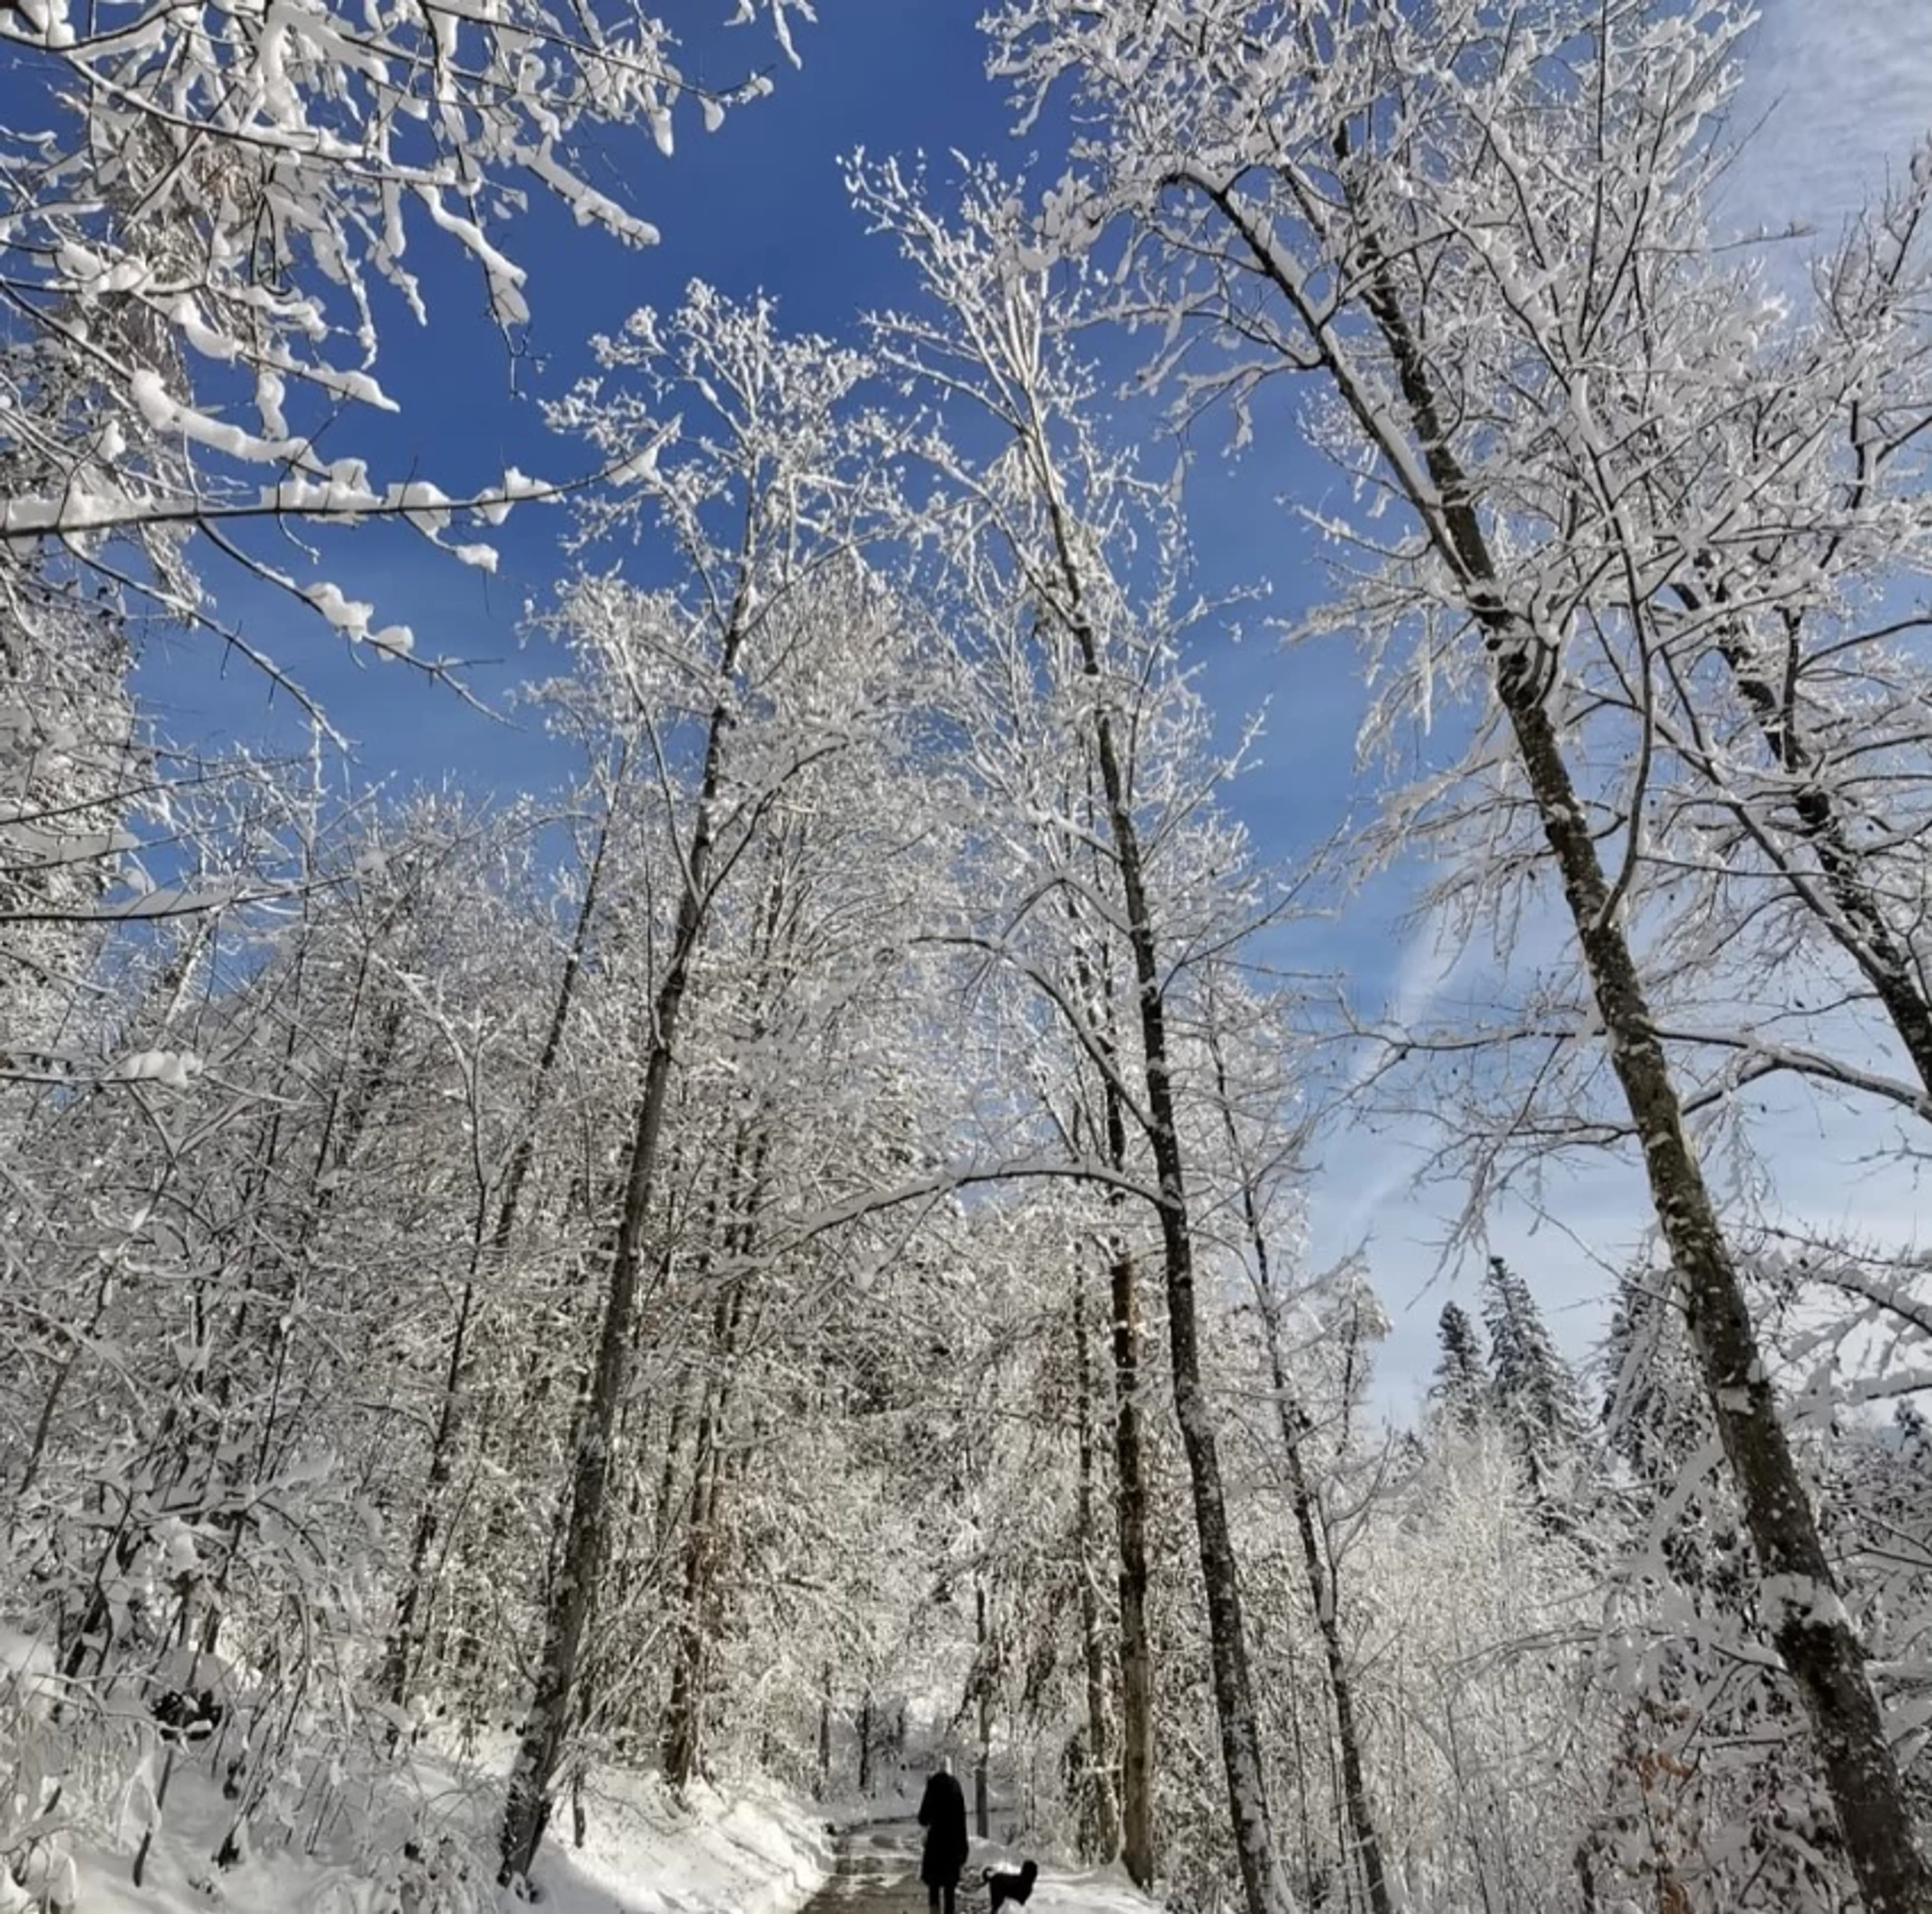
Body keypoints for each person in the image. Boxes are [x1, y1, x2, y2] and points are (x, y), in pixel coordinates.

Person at [916, 1753, 969, 1914]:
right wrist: (964, 1848)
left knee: (934, 1885)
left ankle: (934, 1912)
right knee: (950, 1888)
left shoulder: (932, 1786)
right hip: (953, 1845)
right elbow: (962, 1820)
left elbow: (923, 1818)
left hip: (935, 1845)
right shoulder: (956, 1787)